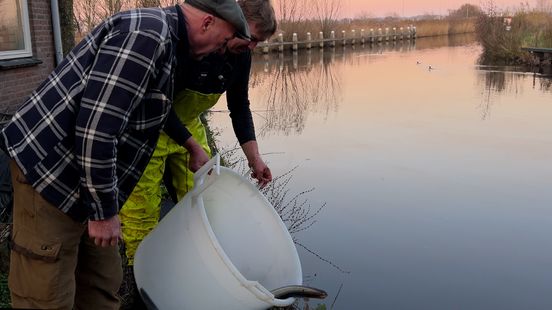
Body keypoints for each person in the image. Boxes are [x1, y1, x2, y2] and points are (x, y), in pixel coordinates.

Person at [0, 0, 250, 308]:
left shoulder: (171, 48)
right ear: (207, 23)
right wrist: (104, 212)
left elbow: (148, 115)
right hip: (50, 172)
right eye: (224, 42)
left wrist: (191, 146)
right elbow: (97, 129)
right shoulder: (147, 35)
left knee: (103, 282)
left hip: (90, 179)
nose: (221, 51)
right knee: (46, 291)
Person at [119, 0, 277, 268]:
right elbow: (157, 103)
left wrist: (255, 159)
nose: (252, 47)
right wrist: (192, 146)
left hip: (189, 125)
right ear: (234, 21)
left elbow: (239, 107)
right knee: (140, 213)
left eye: (258, 43)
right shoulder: (193, 44)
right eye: (250, 38)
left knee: (203, 201)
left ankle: (196, 263)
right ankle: (141, 273)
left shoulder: (241, 56)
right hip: (147, 128)